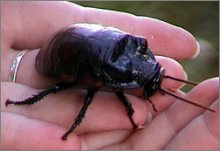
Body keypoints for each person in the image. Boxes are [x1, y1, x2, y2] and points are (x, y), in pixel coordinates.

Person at [1, 1, 218, 150]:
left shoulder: (131, 54)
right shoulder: (115, 76)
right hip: (60, 54)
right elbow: (111, 94)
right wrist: (75, 126)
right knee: (58, 89)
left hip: (76, 38)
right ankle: (25, 103)